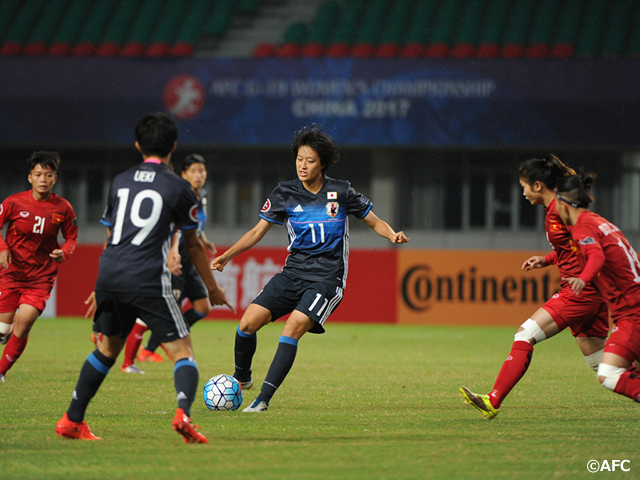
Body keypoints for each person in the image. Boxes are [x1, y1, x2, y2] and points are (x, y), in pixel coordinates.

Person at [55, 113, 234, 442]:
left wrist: (101, 285)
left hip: (111, 274)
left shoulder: (120, 181)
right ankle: (183, 414)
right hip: (148, 277)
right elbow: (193, 244)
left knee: (106, 351)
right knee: (183, 354)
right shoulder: (180, 188)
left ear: (138, 145)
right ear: (174, 146)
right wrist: (213, 288)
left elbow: (112, 237)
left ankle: (71, 419)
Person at [210, 125, 409, 412]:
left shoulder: (341, 192)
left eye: (310, 160)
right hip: (292, 273)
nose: (303, 165)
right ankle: (242, 377)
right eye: (299, 159)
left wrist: (391, 235)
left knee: (291, 329)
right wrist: (226, 256)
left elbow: (374, 220)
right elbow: (256, 232)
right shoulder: (285, 193)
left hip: (327, 279)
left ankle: (262, 401)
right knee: (247, 324)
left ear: (323, 164)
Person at [459, 155, 609, 419]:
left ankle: (493, 399)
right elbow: (571, 249)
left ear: (538, 186)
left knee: (524, 334)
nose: (523, 192)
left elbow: (591, 244)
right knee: (604, 365)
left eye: (524, 186)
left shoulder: (562, 211)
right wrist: (547, 259)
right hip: (589, 291)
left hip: (579, 293)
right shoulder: (555, 210)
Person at [124, 153, 217, 367]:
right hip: (173, 258)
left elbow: (194, 224)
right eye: (193, 171)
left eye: (201, 171)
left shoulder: (202, 195)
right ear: (183, 174)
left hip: (190, 258)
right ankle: (135, 356)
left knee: (203, 307)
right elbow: (174, 228)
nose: (198, 175)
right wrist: (172, 252)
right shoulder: (176, 194)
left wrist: (205, 239)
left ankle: (154, 346)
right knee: (162, 309)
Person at [556, 173, 640, 405]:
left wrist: (583, 278)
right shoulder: (600, 222)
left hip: (633, 313)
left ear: (563, 204)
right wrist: (549, 258)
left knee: (609, 374)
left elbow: (596, 255)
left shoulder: (582, 227)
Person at [0, 151, 78, 382]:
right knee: (3, 331)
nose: (43, 179)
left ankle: (1, 371)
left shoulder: (63, 208)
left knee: (23, 326)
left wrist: (64, 252)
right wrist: (3, 248)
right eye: (38, 174)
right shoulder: (13, 202)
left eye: (48, 174)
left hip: (40, 278)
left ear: (55, 178)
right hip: (11, 274)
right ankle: (5, 333)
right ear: (29, 178)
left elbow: (72, 237)